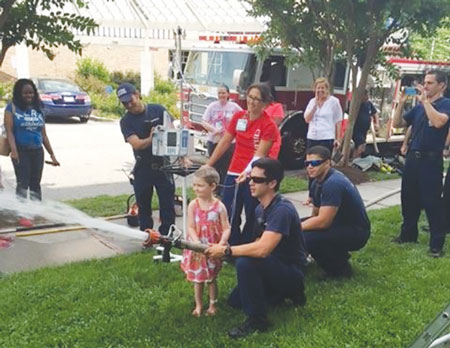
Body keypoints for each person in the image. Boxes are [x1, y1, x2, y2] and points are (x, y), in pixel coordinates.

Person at [206, 158, 307, 339]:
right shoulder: (260, 209)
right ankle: (280, 294)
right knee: (235, 301)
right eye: (250, 178)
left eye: (257, 180)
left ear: (272, 183)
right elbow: (256, 242)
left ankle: (258, 320)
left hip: (291, 272)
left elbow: (262, 250)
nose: (251, 183)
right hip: (272, 266)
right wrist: (226, 250)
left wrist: (227, 251)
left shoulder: (282, 210)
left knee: (246, 263)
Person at [206, 83, 280, 246]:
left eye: (257, 99)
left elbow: (259, 154)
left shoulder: (268, 125)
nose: (252, 102)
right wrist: (209, 164)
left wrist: (247, 173)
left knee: (252, 211)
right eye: (250, 97)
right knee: (229, 209)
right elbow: (225, 141)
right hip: (234, 171)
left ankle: (246, 246)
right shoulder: (239, 116)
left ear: (264, 103)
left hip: (255, 175)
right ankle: (230, 244)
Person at [391, 70, 450, 257]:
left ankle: (436, 244)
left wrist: (425, 102)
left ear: (442, 85)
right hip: (413, 159)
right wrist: (400, 103)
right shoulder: (418, 108)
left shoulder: (445, 105)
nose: (425, 86)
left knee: (432, 202)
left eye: (430, 83)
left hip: (431, 160)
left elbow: (439, 122)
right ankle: (408, 234)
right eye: (424, 82)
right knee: (408, 199)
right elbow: (398, 123)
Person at [301, 146, 370, 278]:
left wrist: (297, 228)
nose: (310, 167)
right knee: (302, 227)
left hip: (356, 231)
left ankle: (339, 269)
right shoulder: (317, 182)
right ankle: (308, 259)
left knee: (307, 238)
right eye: (307, 163)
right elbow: (315, 214)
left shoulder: (333, 183)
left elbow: (323, 222)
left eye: (315, 163)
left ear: (327, 163)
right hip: (338, 224)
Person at [118, 83, 175, 235]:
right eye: (124, 103)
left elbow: (173, 133)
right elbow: (136, 144)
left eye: (130, 100)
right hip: (143, 167)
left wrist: (183, 156)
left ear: (137, 95)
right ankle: (147, 235)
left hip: (163, 164)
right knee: (143, 206)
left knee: (167, 204)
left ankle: (167, 236)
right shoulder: (126, 121)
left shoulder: (158, 110)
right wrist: (152, 137)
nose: (129, 105)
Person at [180, 167, 231, 317]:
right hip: (197, 248)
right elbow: (190, 226)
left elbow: (227, 227)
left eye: (200, 185)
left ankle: (212, 304)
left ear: (212, 186)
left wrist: (221, 243)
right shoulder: (193, 205)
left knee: (211, 278)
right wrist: (196, 243)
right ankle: (199, 305)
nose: (196, 188)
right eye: (194, 185)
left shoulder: (219, 207)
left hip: (212, 248)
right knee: (198, 279)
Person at [4, 78, 59, 200]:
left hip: (37, 152)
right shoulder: (11, 108)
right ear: (19, 93)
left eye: (31, 93)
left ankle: (36, 213)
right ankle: (23, 216)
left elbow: (44, 135)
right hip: (21, 151)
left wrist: (52, 155)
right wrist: (14, 151)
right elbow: (9, 132)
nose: (29, 95)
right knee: (23, 184)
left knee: (35, 185)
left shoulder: (38, 109)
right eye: (25, 93)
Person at [201, 84, 242, 189]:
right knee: (215, 166)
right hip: (214, 140)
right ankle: (215, 188)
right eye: (219, 93)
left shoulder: (234, 107)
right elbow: (204, 121)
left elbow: (243, 118)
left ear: (228, 94)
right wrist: (213, 130)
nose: (221, 95)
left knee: (226, 166)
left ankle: (225, 187)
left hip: (229, 142)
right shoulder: (212, 106)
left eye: (223, 93)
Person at [304, 77, 343, 153]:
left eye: (323, 88)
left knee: (323, 162)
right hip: (312, 137)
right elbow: (307, 119)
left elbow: (338, 121)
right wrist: (314, 107)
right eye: (318, 88)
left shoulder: (334, 101)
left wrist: (338, 139)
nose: (320, 90)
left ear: (327, 89)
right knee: (311, 161)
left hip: (326, 137)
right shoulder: (312, 102)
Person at [352, 90, 379, 158]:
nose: (367, 97)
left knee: (358, 146)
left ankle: (354, 160)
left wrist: (377, 123)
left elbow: (375, 113)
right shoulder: (356, 104)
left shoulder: (369, 104)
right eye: (366, 95)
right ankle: (356, 159)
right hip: (356, 129)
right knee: (362, 144)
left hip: (364, 130)